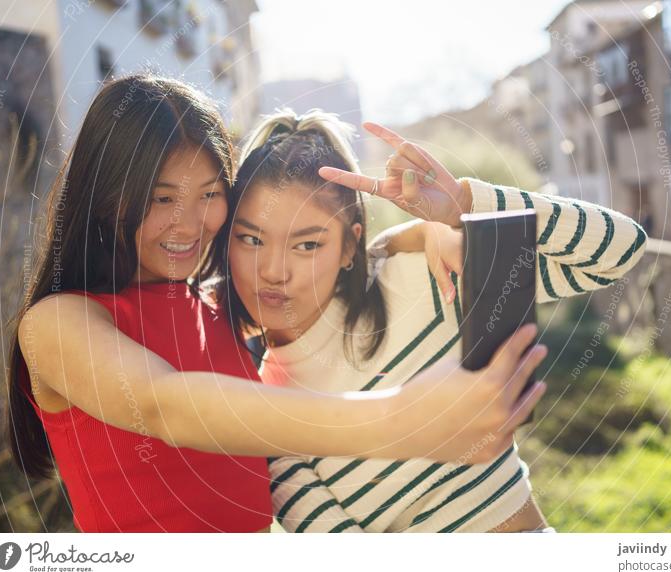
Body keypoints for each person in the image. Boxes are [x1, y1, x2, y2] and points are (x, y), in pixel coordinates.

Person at [7, 75, 544, 533]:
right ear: (106, 193)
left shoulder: (219, 310)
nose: (189, 225)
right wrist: (399, 419)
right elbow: (162, 403)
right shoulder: (57, 323)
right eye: (162, 197)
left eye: (210, 194)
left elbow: (311, 266)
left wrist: (422, 234)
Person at [216, 109, 648, 532]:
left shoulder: (424, 273)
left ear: (351, 247)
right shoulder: (267, 411)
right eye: (251, 239)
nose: (273, 270)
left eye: (307, 245)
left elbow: (619, 251)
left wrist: (464, 204)